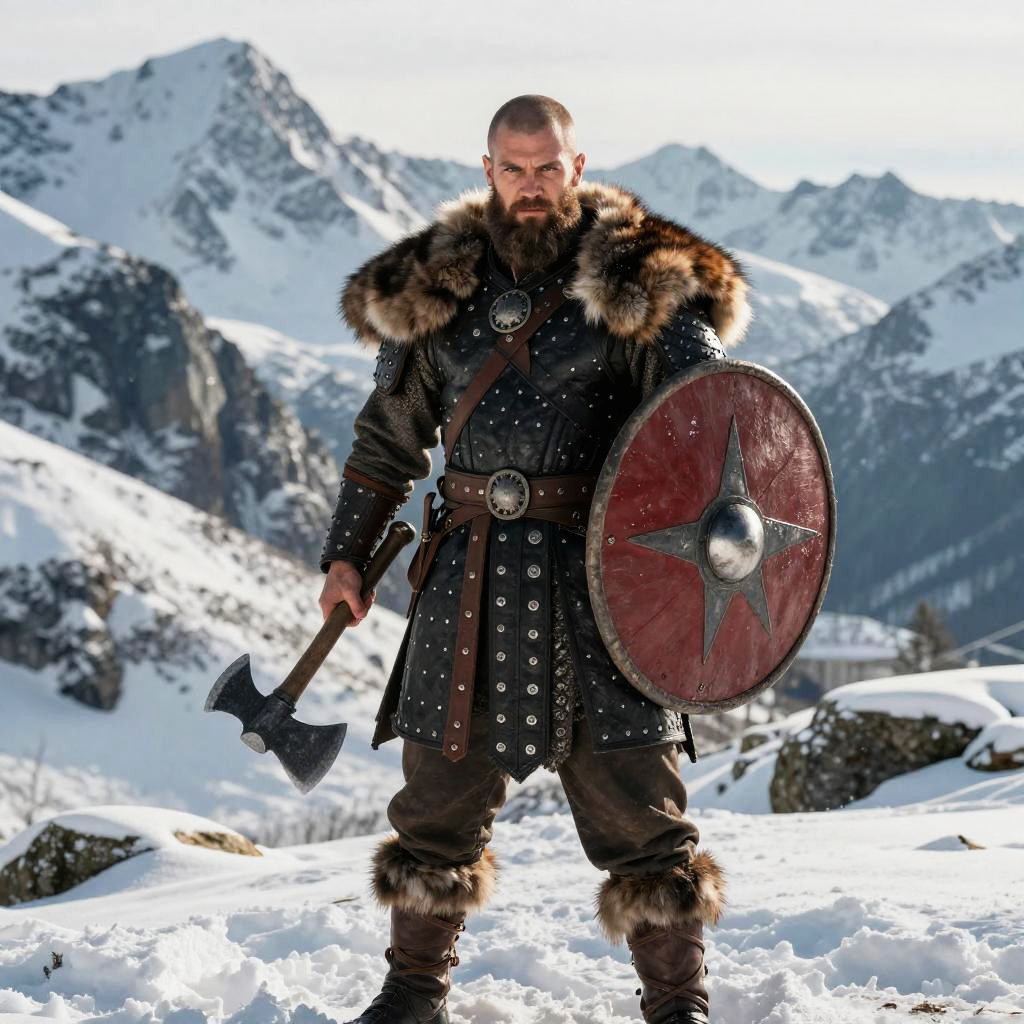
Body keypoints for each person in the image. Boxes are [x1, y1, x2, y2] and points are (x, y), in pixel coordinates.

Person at [318, 95, 752, 1024]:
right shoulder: (435, 290)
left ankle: (679, 1004)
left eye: (547, 168)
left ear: (576, 166)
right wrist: (346, 555)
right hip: (465, 579)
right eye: (513, 169)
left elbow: (708, 428)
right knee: (435, 808)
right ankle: (412, 993)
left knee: (642, 813)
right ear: (487, 171)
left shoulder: (642, 283)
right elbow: (387, 440)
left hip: (600, 585)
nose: (530, 186)